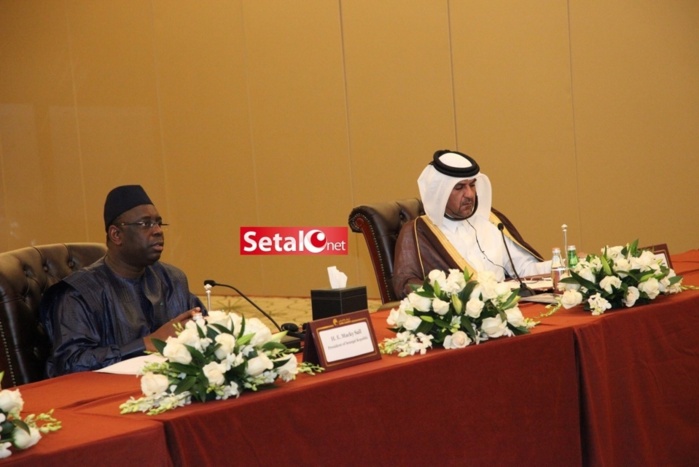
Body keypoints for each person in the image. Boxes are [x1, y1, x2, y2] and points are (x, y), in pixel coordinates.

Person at [40, 185, 205, 377]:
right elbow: (71, 363)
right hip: (106, 393)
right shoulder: (77, 294)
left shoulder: (173, 279)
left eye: (159, 223)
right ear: (116, 235)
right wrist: (147, 344)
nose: (158, 231)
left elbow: (203, 331)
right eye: (145, 224)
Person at [392, 150, 550, 298]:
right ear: (439, 192)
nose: (469, 194)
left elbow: (524, 269)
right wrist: (454, 295)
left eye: (472, 185)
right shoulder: (418, 232)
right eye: (459, 187)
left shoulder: (490, 220)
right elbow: (406, 285)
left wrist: (559, 267)